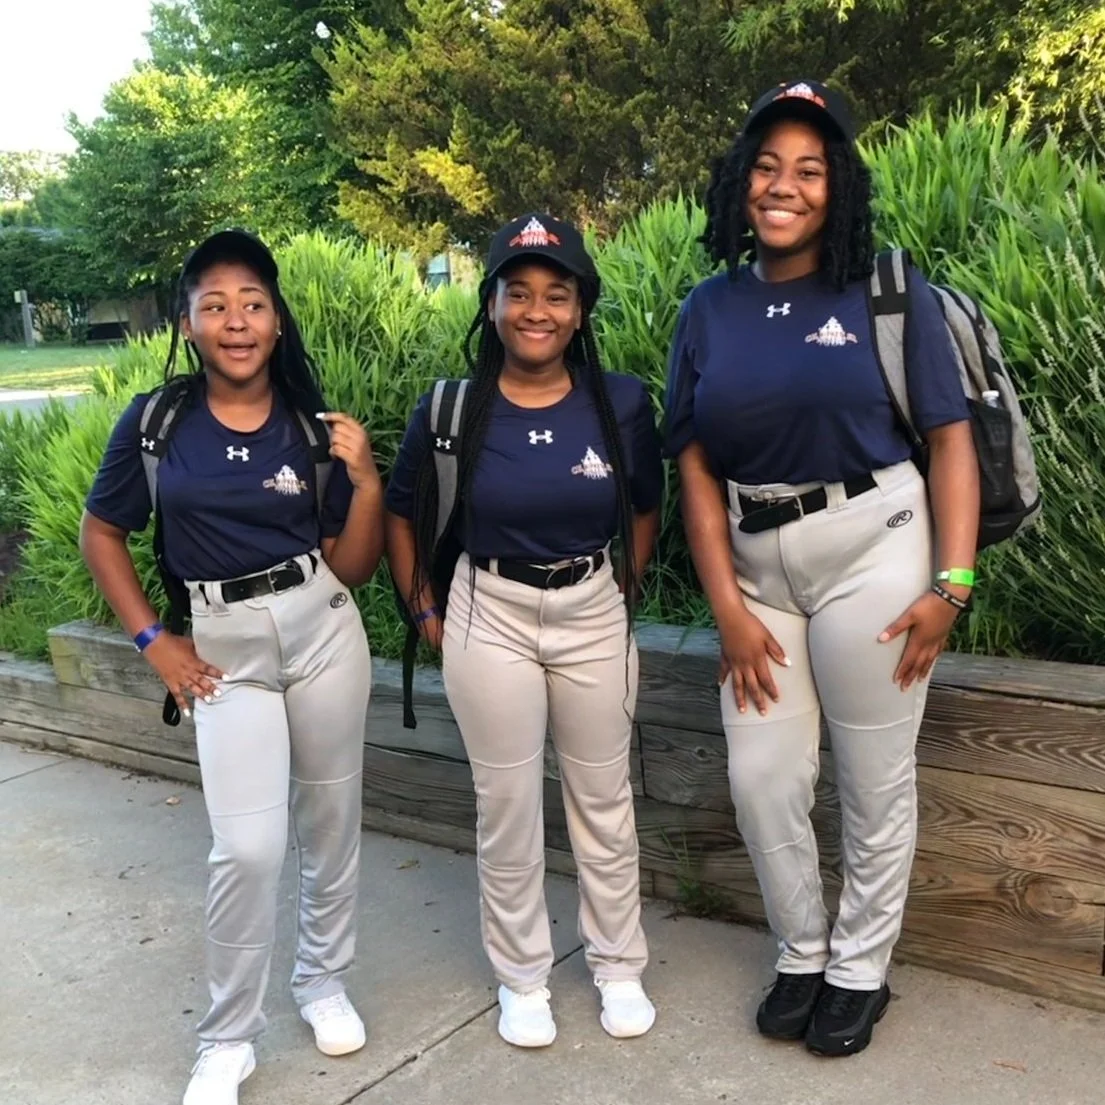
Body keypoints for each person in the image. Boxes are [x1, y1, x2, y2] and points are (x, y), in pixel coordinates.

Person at [664, 81, 980, 1057]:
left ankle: (859, 968)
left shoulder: (886, 289)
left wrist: (951, 584)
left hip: (874, 543)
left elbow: (951, 438)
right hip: (755, 565)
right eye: (766, 165)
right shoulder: (706, 309)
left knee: (874, 780)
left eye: (809, 168)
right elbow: (692, 465)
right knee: (763, 775)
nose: (784, 185)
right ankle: (801, 950)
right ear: (738, 182)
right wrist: (723, 602)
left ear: (836, 185)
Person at [79, 229, 384, 1105]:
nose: (236, 320)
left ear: (278, 321)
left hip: (322, 626)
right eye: (215, 305)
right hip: (221, 653)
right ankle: (228, 1035)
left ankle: (321, 981)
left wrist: (364, 483)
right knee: (246, 846)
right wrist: (153, 640)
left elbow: (353, 567)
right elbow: (102, 534)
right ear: (188, 322)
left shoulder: (310, 426)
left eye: (253, 303)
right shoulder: (156, 423)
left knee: (331, 823)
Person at [386, 214, 663, 1048]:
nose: (535, 309)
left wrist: (623, 583)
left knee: (603, 801)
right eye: (518, 292)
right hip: (487, 608)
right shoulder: (451, 406)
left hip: (589, 605)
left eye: (556, 293)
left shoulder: (618, 403)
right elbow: (402, 513)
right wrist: (423, 607)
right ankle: (522, 978)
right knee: (504, 803)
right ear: (492, 303)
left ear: (580, 310)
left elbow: (645, 505)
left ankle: (617, 965)